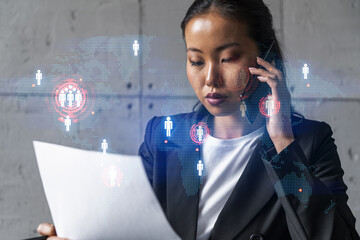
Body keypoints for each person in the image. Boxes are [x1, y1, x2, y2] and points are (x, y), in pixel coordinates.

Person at [37, 0, 360, 239]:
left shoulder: (307, 142)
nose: (210, 78)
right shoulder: (163, 138)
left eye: (228, 58)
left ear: (266, 58)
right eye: (195, 60)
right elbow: (130, 231)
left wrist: (283, 143)